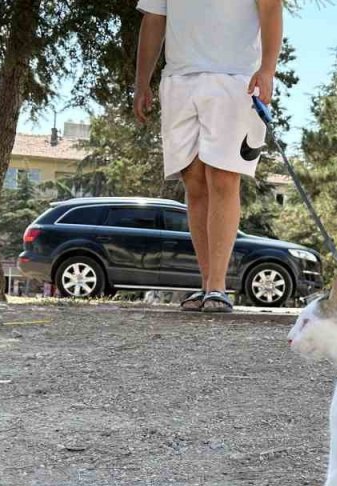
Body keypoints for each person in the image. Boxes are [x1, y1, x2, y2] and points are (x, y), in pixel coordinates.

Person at [135, 0, 282, 313]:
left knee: (223, 177)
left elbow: (271, 8)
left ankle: (217, 286)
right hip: (178, 80)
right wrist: (141, 82)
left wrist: (267, 69)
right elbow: (153, 21)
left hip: (234, 79)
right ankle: (205, 285)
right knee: (194, 181)